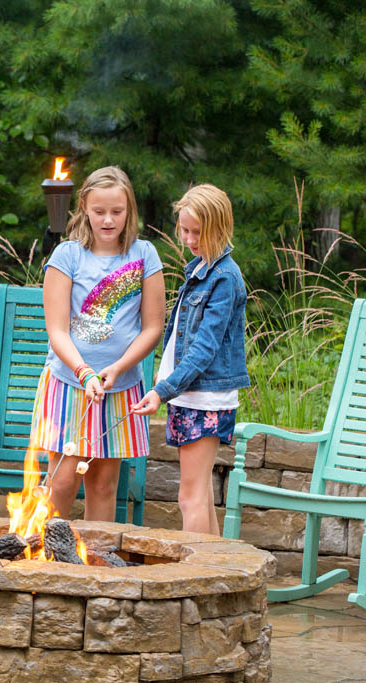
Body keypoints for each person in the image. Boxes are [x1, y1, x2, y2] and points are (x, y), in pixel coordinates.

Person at [36, 166, 165, 521]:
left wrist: (118, 368)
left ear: (130, 210)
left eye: (117, 211)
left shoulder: (145, 255)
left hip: (121, 388)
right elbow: (58, 330)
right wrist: (84, 372)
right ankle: (45, 559)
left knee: (104, 485)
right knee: (62, 481)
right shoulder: (67, 255)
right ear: (84, 209)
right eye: (99, 211)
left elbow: (153, 327)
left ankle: (97, 563)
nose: (108, 220)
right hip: (69, 383)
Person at [132, 184, 249, 535]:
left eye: (197, 232)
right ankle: (216, 576)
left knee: (190, 496)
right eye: (184, 230)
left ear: (220, 227)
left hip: (204, 398)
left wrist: (162, 390)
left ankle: (195, 579)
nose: (188, 238)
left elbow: (203, 349)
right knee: (200, 496)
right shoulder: (199, 271)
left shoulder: (225, 278)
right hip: (186, 395)